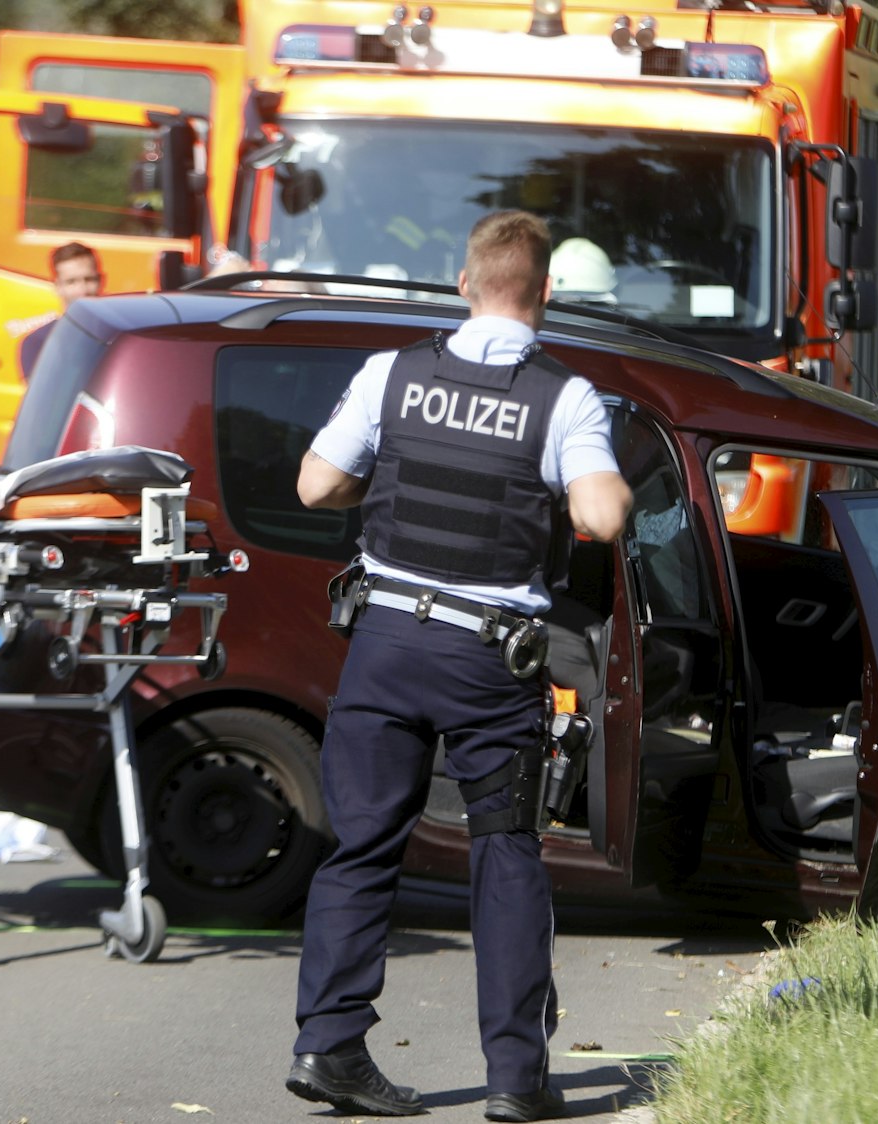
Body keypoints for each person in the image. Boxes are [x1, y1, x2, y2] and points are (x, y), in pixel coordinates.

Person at [288, 211, 632, 1122]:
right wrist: (596, 485)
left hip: (386, 643)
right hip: (487, 659)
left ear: (463, 282)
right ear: (545, 291)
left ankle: (327, 1047)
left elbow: (315, 485)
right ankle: (517, 1080)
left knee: (361, 845)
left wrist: (384, 476)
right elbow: (600, 517)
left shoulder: (391, 374)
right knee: (506, 853)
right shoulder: (566, 398)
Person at [17, 242, 104, 380]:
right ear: (58, 286)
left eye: (89, 280)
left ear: (101, 280)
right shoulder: (38, 343)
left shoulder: (121, 338)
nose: (82, 290)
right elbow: (39, 400)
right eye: (71, 282)